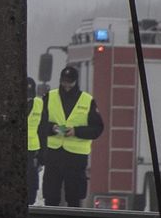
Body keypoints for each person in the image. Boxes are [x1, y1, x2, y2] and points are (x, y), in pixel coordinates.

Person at [39, 65, 105, 207]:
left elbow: (98, 128)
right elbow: (39, 124)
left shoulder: (87, 100)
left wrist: (76, 131)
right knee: (51, 195)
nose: (67, 85)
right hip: (54, 154)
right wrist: (52, 128)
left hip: (76, 157)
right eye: (64, 81)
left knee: (74, 197)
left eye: (70, 82)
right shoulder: (49, 97)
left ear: (76, 81)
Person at [25, 77, 42, 205]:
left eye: (30, 96)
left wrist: (42, 156)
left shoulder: (40, 104)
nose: (28, 99)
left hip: (32, 151)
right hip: (13, 151)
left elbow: (44, 128)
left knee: (32, 183)